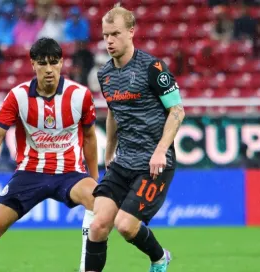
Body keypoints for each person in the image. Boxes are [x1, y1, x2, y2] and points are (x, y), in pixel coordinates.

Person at [0, 38, 99, 272]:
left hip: (70, 173)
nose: (49, 69)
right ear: (32, 64)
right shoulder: (17, 96)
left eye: (54, 63)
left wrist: (95, 179)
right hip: (30, 173)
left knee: (98, 202)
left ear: (61, 63)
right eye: (42, 63)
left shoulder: (80, 95)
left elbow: (89, 137)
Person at [84, 4, 185, 272]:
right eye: (105, 35)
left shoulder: (154, 67)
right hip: (123, 161)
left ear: (131, 32)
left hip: (154, 162)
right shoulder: (104, 75)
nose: (109, 41)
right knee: (97, 226)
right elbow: (113, 113)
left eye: (115, 34)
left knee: (126, 226)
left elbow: (177, 111)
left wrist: (161, 150)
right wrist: (109, 153)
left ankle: (160, 257)